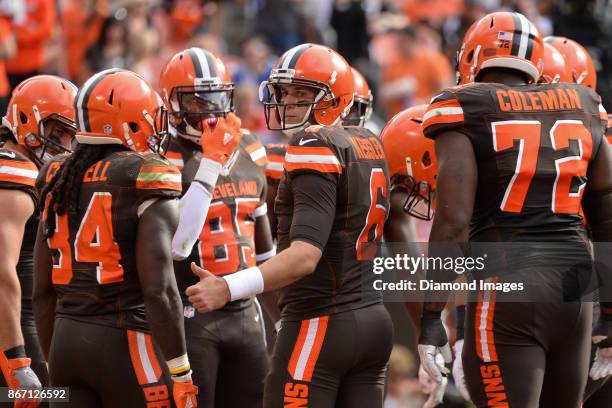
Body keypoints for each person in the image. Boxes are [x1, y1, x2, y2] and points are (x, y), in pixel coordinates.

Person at [417, 11, 612, 408]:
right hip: (576, 290)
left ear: (471, 58)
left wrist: (430, 316)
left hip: (506, 287)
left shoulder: (462, 104)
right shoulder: (583, 103)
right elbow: (607, 211)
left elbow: (453, 222)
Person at [185, 43, 393, 407]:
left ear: (334, 98)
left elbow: (304, 257)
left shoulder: (314, 143)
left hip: (323, 322)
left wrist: (228, 287)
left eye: (302, 93)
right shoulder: (369, 142)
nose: (289, 102)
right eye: (287, 92)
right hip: (373, 319)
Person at [33, 69, 197, 408]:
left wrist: (53, 363)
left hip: (65, 342)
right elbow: (160, 290)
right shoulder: (146, 172)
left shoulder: (57, 175)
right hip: (126, 342)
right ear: (131, 122)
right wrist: (181, 373)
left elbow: (42, 291)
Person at [159, 47, 275, 408]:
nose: (209, 112)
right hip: (190, 316)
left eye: (216, 99)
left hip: (246, 314)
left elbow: (266, 248)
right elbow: (176, 242)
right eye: (197, 102)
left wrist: (282, 318)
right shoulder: (162, 155)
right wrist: (210, 162)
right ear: (172, 105)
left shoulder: (251, 147)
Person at [0, 75, 77, 406]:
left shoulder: (29, 170)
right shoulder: (15, 174)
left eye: (71, 135)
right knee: (47, 400)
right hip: (16, 324)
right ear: (26, 120)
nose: (65, 144)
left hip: (33, 317)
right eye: (56, 131)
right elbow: (2, 273)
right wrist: (17, 359)